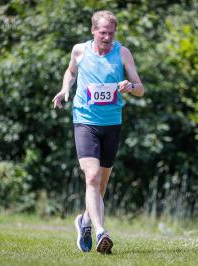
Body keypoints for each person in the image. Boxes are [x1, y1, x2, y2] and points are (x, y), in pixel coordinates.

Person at [52, 10, 145, 254]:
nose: (107, 37)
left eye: (111, 33)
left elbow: (141, 89)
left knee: (101, 186)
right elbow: (71, 72)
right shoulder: (80, 50)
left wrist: (130, 86)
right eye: (103, 32)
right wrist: (65, 90)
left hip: (112, 123)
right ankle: (101, 231)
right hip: (84, 121)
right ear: (93, 31)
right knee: (91, 177)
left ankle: (83, 223)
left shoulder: (122, 53)